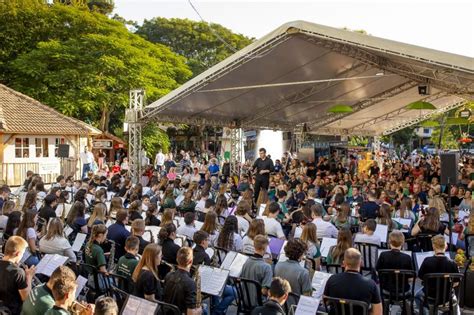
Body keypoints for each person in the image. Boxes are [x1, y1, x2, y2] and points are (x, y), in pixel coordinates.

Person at [324, 248, 382, 315]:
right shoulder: (371, 284)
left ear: (343, 263)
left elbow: (325, 301)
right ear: (360, 263)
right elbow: (378, 312)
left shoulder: (332, 279)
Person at [416, 235, 459, 309]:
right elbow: (456, 283)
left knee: (417, 296)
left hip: (430, 295)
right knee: (454, 297)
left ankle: (426, 312)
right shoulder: (452, 263)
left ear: (433, 246)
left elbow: (420, 278)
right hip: (447, 296)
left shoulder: (427, 261)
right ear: (446, 247)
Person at [0, 236, 36, 314]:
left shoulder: (15, 270)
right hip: (11, 311)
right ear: (18, 253)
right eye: (22, 253)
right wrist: (29, 277)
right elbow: (26, 298)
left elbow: (6, 268)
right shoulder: (18, 272)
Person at [163, 247, 201, 314]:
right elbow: (190, 313)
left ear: (177, 259)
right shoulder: (190, 283)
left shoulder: (168, 275)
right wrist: (200, 309)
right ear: (191, 262)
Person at [274, 239, 312, 305]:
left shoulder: (278, 265)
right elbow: (307, 297)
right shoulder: (303, 272)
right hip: (295, 308)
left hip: (279, 304)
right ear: (301, 254)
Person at [241, 235, 273, 301]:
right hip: (258, 303)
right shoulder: (266, 267)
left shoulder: (246, 262)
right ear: (264, 248)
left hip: (244, 299)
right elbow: (264, 291)